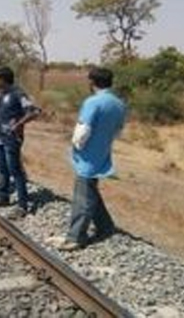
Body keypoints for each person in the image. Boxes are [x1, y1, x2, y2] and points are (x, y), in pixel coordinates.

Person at [51, 67, 126, 251]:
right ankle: (106, 227)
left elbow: (83, 129)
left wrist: (76, 145)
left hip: (87, 155)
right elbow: (118, 129)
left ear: (92, 82)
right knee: (91, 190)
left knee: (82, 197)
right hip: (103, 151)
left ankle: (76, 237)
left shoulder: (93, 102)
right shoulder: (118, 104)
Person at [0, 67, 41, 219]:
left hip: (12, 138)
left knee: (15, 170)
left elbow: (34, 111)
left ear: (2, 79)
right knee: (2, 168)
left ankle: (22, 205)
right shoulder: (1, 94)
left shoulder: (18, 93)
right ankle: (3, 196)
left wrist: (19, 124)